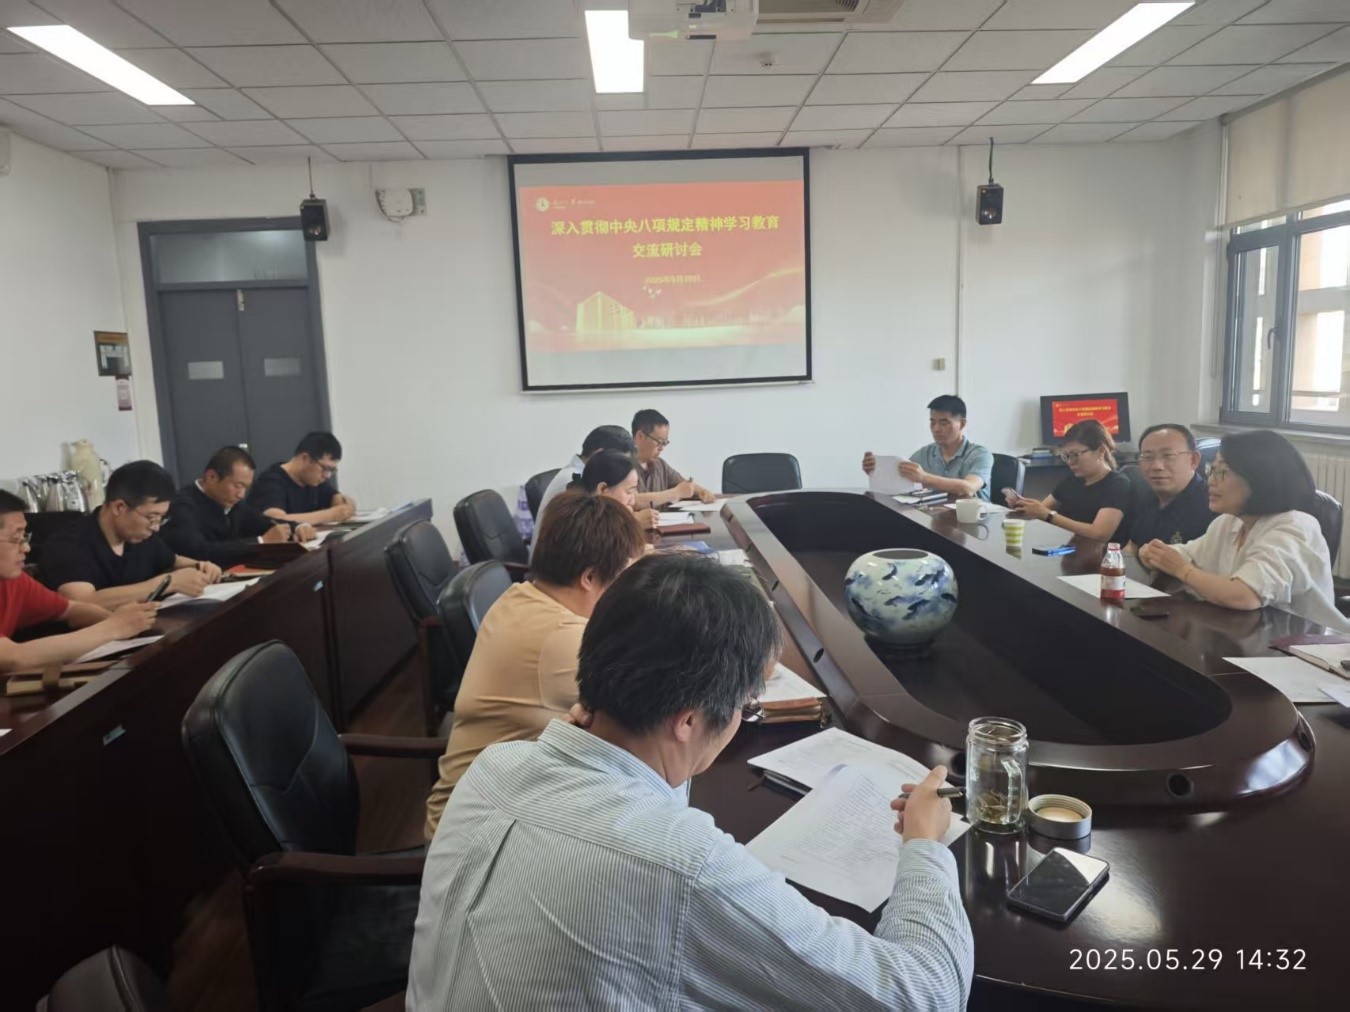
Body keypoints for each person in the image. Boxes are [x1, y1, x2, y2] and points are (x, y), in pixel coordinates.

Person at [410, 554, 973, 1009]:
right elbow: (923, 994)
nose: (741, 718)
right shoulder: (681, 864)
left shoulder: (497, 766)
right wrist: (924, 844)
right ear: (687, 720)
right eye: (746, 707)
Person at [423, 491, 646, 839]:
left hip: (495, 802)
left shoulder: (522, 596)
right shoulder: (561, 638)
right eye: (623, 578)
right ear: (589, 578)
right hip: (472, 839)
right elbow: (657, 704)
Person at [1139, 431, 1348, 630]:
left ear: (1260, 478)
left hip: (1308, 647)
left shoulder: (1295, 527)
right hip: (1250, 636)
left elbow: (1244, 596)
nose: (1211, 480)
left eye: (1222, 472)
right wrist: (1157, 553)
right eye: (1212, 469)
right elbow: (1190, 553)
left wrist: (1181, 569)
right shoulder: (1229, 522)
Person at [0, 491, 157, 673]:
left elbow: (69, 610)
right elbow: (15, 657)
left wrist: (117, 620)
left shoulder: (15, 581)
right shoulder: (71, 542)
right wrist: (112, 628)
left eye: (24, 537)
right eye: (15, 539)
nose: (26, 548)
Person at [40, 461, 222, 608]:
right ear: (119, 507)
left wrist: (201, 566)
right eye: (151, 517)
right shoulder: (69, 544)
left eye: (161, 518)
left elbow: (172, 560)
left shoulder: (141, 537)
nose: (156, 528)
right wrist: (166, 583)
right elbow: (82, 603)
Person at [162, 447, 318, 568]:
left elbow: (264, 523)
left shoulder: (233, 503)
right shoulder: (182, 506)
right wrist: (261, 541)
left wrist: (298, 527)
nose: (242, 495)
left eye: (246, 488)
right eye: (237, 486)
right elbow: (200, 552)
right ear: (211, 477)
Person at [1009, 419, 1130, 541]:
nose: (1071, 462)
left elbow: (1099, 533)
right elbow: (1042, 509)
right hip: (1066, 546)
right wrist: (1021, 507)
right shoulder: (1073, 479)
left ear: (1100, 451)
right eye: (1067, 456)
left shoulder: (1117, 484)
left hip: (1097, 551)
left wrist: (1048, 515)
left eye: (1075, 455)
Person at [862, 395, 994, 501]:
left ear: (962, 424)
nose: (936, 429)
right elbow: (902, 481)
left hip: (976, 521)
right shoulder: (924, 454)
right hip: (938, 518)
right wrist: (876, 471)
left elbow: (969, 488)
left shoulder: (979, 454)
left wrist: (924, 478)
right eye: (933, 422)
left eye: (943, 423)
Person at [1123, 423, 1215, 551]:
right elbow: (1132, 546)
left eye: (1168, 455)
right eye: (1147, 457)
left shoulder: (1212, 507)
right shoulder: (1143, 497)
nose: (1157, 466)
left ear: (1193, 460)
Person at [246, 431, 355, 525]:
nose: (327, 475)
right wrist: (331, 515)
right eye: (325, 468)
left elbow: (338, 500)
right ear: (305, 458)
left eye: (332, 470)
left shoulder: (314, 480)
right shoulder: (270, 481)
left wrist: (343, 502)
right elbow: (276, 521)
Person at [535, 424, 635, 526]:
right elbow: (592, 526)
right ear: (598, 454)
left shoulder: (580, 474)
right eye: (619, 465)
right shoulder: (572, 482)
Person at [631, 409, 716, 506]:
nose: (661, 448)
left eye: (665, 442)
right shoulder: (622, 466)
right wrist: (676, 493)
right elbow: (633, 500)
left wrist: (702, 491)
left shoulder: (660, 465)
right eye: (659, 442)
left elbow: (684, 485)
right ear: (640, 436)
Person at [572, 448, 659, 531]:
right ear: (602, 489)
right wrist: (633, 523)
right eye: (628, 492)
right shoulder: (580, 524)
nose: (632, 501)